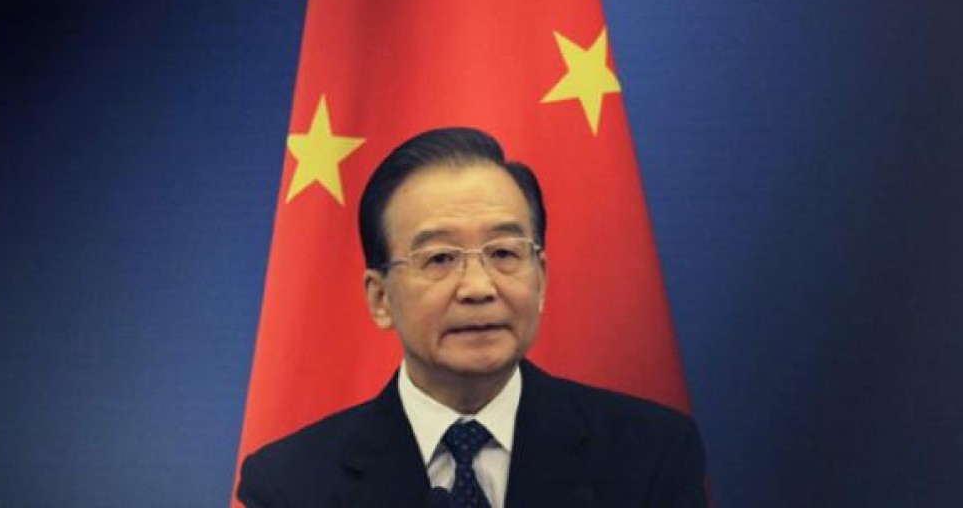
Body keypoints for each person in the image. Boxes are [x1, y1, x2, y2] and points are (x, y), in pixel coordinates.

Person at [238, 127, 706, 507]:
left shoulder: (650, 455)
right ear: (380, 298)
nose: (479, 288)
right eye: (440, 259)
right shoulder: (289, 486)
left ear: (540, 279)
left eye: (504, 252)